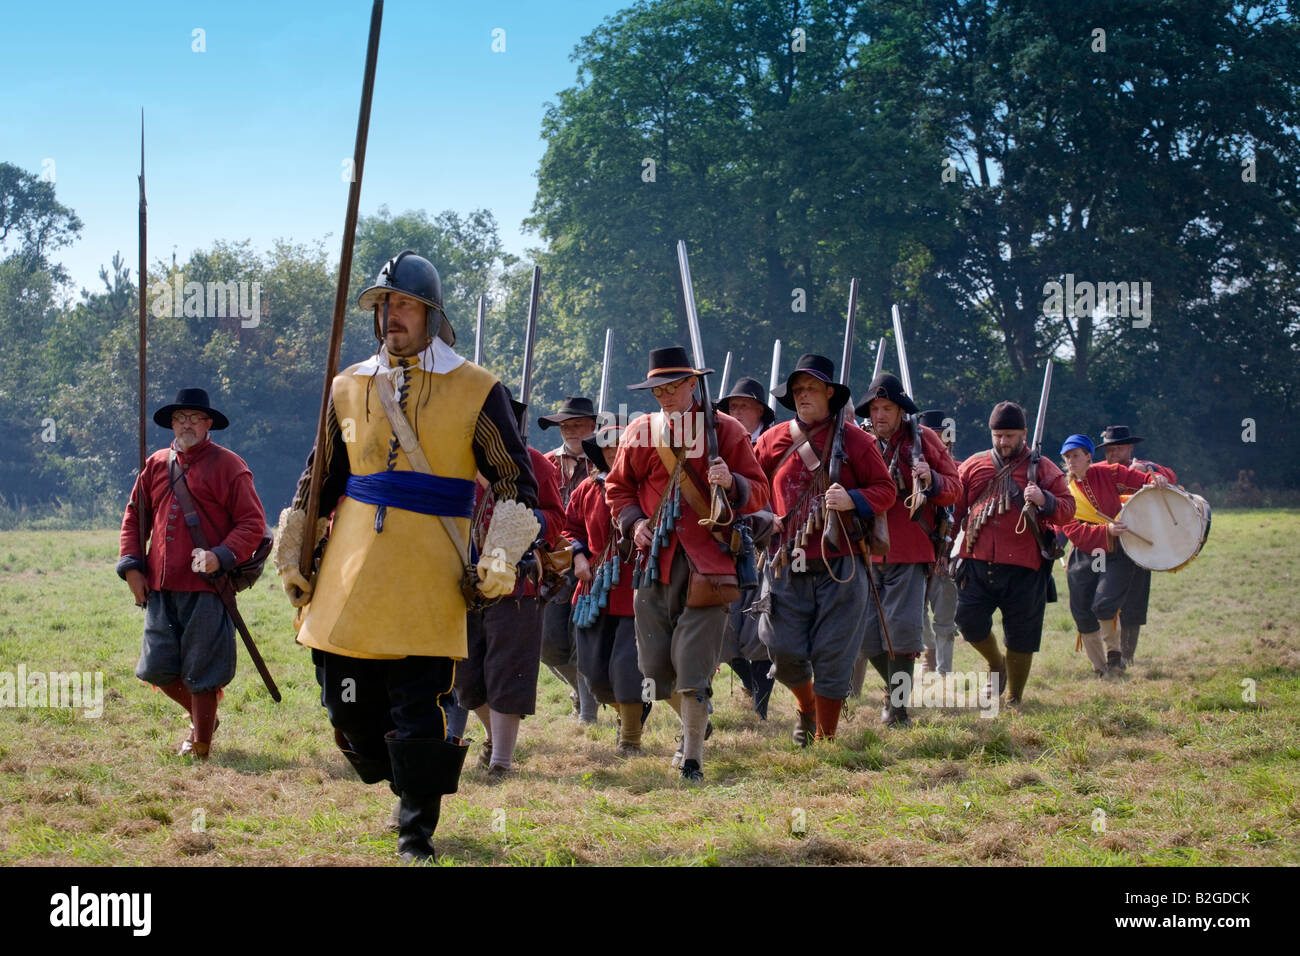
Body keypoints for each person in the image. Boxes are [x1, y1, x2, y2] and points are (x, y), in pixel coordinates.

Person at [272, 251, 539, 862]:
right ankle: (401, 776)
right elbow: (320, 478)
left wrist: (500, 555)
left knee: (419, 708)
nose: (391, 315)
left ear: (431, 315)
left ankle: (415, 834)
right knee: (346, 705)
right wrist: (294, 552)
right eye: (384, 304)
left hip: (429, 575)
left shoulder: (477, 388)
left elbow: (514, 481)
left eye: (405, 305)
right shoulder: (347, 385)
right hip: (348, 575)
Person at [605, 346, 770, 782]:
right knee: (655, 671)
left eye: (672, 387)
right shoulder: (641, 430)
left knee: (693, 668)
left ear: (693, 384)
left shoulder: (726, 429)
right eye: (658, 389)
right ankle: (696, 722)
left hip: (709, 563)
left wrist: (730, 481)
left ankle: (692, 757)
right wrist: (634, 522)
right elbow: (618, 488)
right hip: (654, 562)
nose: (664, 395)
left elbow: (759, 491)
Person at [117, 387, 267, 760]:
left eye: (194, 418)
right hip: (160, 585)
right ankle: (204, 719)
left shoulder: (230, 466)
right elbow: (135, 516)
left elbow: (252, 523)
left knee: (203, 670)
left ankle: (200, 743)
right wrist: (132, 567)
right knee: (155, 668)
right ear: (172, 423)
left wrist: (220, 556)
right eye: (180, 418)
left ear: (207, 423)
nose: (186, 424)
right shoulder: (155, 464)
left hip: (207, 588)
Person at [755, 354, 896, 745]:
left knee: (834, 655)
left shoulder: (857, 441)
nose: (803, 396)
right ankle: (807, 706)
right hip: (785, 563)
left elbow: (885, 490)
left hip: (842, 565)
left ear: (830, 394)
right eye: (798, 390)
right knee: (781, 649)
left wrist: (853, 499)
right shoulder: (772, 440)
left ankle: (826, 739)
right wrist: (766, 516)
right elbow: (751, 489)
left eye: (811, 389)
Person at [457, 397, 566, 779]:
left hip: (518, 586)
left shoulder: (533, 464)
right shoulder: (455, 465)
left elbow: (555, 517)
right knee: (466, 679)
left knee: (508, 673)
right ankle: (493, 738)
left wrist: (524, 518)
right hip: (463, 585)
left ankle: (502, 761)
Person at [951, 401, 1075, 709]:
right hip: (976, 561)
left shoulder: (1043, 468)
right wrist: (943, 550)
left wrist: (1044, 499)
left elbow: (1067, 510)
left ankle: (1014, 698)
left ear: (1024, 434)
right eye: (998, 436)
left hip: (1025, 566)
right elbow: (956, 511)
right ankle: (996, 664)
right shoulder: (974, 465)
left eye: (1009, 436)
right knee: (967, 621)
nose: (1003, 442)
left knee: (1022, 636)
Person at [854, 377, 959, 727]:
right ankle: (895, 690)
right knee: (865, 637)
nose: (880, 415)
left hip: (911, 548)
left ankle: (896, 707)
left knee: (901, 634)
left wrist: (932, 478)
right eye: (874, 409)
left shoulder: (924, 439)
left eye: (887, 408)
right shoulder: (858, 441)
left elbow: (954, 488)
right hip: (864, 550)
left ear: (901, 411)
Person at [564, 420, 651, 756]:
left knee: (628, 669)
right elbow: (569, 528)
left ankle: (630, 737)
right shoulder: (586, 489)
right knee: (595, 674)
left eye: (620, 444)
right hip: (594, 591)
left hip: (636, 591)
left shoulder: (647, 486)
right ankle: (629, 713)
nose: (614, 451)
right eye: (607, 446)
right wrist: (578, 556)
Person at [1059, 434, 1166, 677]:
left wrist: (1155, 479)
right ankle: (1100, 669)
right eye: (1067, 457)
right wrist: (1105, 530)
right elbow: (1072, 529)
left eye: (1076, 455)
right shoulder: (1065, 491)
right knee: (1082, 613)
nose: (1071, 461)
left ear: (1088, 456)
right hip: (1085, 553)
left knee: (1104, 604)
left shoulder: (1110, 472)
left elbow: (1141, 480)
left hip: (1117, 551)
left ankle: (1115, 657)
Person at [714, 376, 777, 718]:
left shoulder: (773, 444)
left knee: (758, 628)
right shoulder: (720, 445)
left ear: (760, 412)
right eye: (732, 406)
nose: (736, 412)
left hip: (767, 544)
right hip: (726, 542)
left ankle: (760, 707)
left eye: (744, 406)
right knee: (724, 628)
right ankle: (750, 684)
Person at [538, 396, 600, 723]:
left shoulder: (605, 463)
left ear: (593, 426)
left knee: (583, 639)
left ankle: (588, 714)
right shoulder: (546, 463)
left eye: (578, 425)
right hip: (553, 564)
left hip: (597, 562)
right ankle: (579, 689)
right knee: (547, 644)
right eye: (566, 426)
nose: (572, 431)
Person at [1097, 424, 1178, 665]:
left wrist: (1150, 470)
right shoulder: (1099, 471)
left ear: (1130, 448)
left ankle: (1127, 656)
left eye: (1118, 448)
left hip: (1139, 543)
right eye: (1109, 449)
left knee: (1134, 601)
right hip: (1107, 543)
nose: (1112, 453)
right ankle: (1108, 655)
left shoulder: (1145, 468)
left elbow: (1170, 477)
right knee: (1101, 600)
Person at [917, 409, 960, 676]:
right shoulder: (913, 470)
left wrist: (952, 551)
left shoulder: (958, 470)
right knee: (916, 612)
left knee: (945, 617)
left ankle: (944, 670)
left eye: (943, 436)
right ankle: (928, 653)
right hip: (918, 552)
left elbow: (963, 513)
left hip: (948, 553)